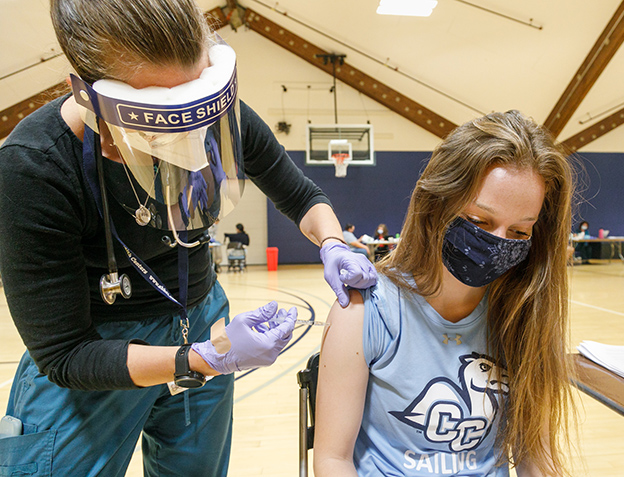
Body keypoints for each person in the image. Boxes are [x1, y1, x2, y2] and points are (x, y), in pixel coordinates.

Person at [0, 1, 376, 475]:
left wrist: (332, 242)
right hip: (96, 349)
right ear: (88, 94)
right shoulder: (33, 166)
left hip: (200, 315)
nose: (187, 133)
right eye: (159, 116)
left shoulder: (218, 116)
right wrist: (199, 358)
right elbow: (64, 353)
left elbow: (302, 197)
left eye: (193, 106)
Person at [314, 111, 575, 476]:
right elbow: (332, 460)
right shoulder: (363, 310)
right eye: (479, 222)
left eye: (518, 232)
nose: (497, 243)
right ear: (437, 204)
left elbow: (536, 457)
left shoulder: (522, 315)